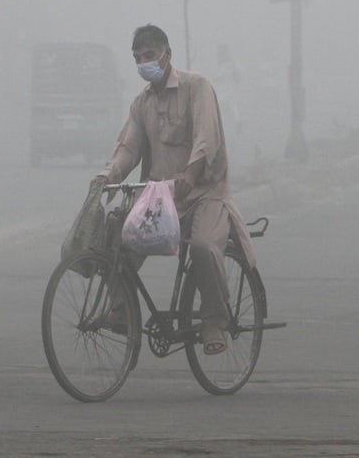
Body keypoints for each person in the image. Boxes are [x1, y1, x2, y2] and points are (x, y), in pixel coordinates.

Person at [92, 24, 257, 355]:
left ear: (167, 54)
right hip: (160, 198)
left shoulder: (197, 87)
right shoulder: (142, 104)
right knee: (113, 237)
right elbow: (128, 148)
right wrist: (107, 175)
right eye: (138, 58)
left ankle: (214, 320)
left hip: (204, 194)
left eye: (150, 55)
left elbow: (207, 138)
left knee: (203, 247)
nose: (144, 63)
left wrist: (191, 173)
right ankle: (121, 308)